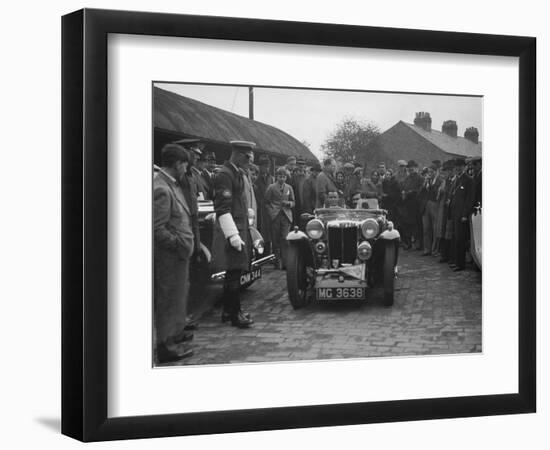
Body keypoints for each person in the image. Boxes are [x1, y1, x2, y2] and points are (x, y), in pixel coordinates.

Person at [153, 144, 195, 363]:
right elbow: (157, 228)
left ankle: (174, 336)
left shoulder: (170, 184)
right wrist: (178, 244)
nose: (186, 169)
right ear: (178, 163)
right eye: (185, 164)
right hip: (170, 257)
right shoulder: (161, 187)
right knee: (168, 299)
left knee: (177, 297)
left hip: (178, 256)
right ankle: (165, 345)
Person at [211, 140, 256, 328]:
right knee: (234, 273)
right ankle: (235, 313)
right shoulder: (225, 174)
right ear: (238, 155)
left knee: (234, 272)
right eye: (247, 158)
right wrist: (232, 235)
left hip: (240, 226)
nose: (249, 162)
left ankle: (229, 311)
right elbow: (222, 208)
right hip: (233, 230)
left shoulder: (235, 172)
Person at [264, 167, 295, 269]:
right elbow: (266, 202)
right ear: (276, 177)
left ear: (286, 177)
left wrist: (289, 203)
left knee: (285, 239)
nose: (282, 179)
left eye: (284, 177)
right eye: (280, 176)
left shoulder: (289, 188)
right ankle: (277, 262)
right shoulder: (271, 187)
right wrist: (271, 212)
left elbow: (293, 202)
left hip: (286, 216)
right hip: (275, 216)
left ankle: (286, 262)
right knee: (275, 239)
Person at [448, 158, 475, 271]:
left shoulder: (468, 180)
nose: (457, 168)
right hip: (454, 213)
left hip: (461, 215)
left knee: (461, 239)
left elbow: (469, 199)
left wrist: (465, 214)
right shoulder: (457, 179)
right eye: (456, 166)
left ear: (464, 167)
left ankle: (461, 264)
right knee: (455, 238)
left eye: (460, 166)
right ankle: (456, 261)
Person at [401, 160, 424, 250]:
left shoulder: (420, 178)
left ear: (416, 168)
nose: (411, 169)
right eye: (409, 167)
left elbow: (420, 190)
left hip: (416, 204)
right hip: (407, 205)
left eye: (412, 167)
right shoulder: (407, 178)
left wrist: (411, 192)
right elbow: (403, 187)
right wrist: (403, 192)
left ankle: (418, 244)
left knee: (417, 225)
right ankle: (408, 243)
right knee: (407, 225)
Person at [419, 165, 441, 256]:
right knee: (426, 228)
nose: (430, 174)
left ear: (436, 172)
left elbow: (437, 193)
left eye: (432, 172)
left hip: (434, 205)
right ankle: (427, 249)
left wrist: (431, 185)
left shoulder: (439, 181)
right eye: (429, 172)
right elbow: (420, 192)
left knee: (435, 228)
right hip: (425, 205)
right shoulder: (426, 181)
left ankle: (434, 250)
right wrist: (425, 184)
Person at [254, 155, 274, 252]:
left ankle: (267, 253)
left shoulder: (272, 179)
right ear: (259, 167)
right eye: (263, 166)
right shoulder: (255, 179)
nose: (266, 168)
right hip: (259, 209)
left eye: (267, 166)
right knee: (259, 232)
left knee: (269, 233)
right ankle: (259, 253)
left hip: (269, 209)